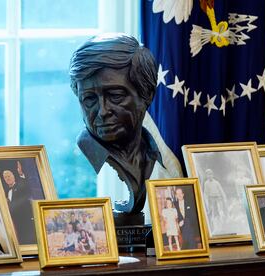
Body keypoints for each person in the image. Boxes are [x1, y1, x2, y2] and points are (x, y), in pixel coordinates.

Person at [69, 33, 181, 220]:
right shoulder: (78, 162)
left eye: (115, 96)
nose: (103, 111)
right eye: (89, 99)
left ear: (146, 95)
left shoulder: (154, 153)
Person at [2, 170, 34, 244]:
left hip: (25, 221)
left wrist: (21, 174)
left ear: (13, 176)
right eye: (5, 177)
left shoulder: (20, 186)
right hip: (14, 223)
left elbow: (26, 185)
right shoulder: (5, 192)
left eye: (9, 176)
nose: (7, 178)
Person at [202, 169, 227, 233]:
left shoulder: (216, 182)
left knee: (221, 212)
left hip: (218, 199)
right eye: (208, 174)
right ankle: (216, 228)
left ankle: (223, 227)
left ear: (212, 175)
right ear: (206, 176)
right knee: (214, 214)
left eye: (210, 174)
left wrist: (224, 198)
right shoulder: (206, 183)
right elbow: (205, 194)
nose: (209, 176)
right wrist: (207, 203)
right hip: (211, 200)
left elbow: (221, 191)